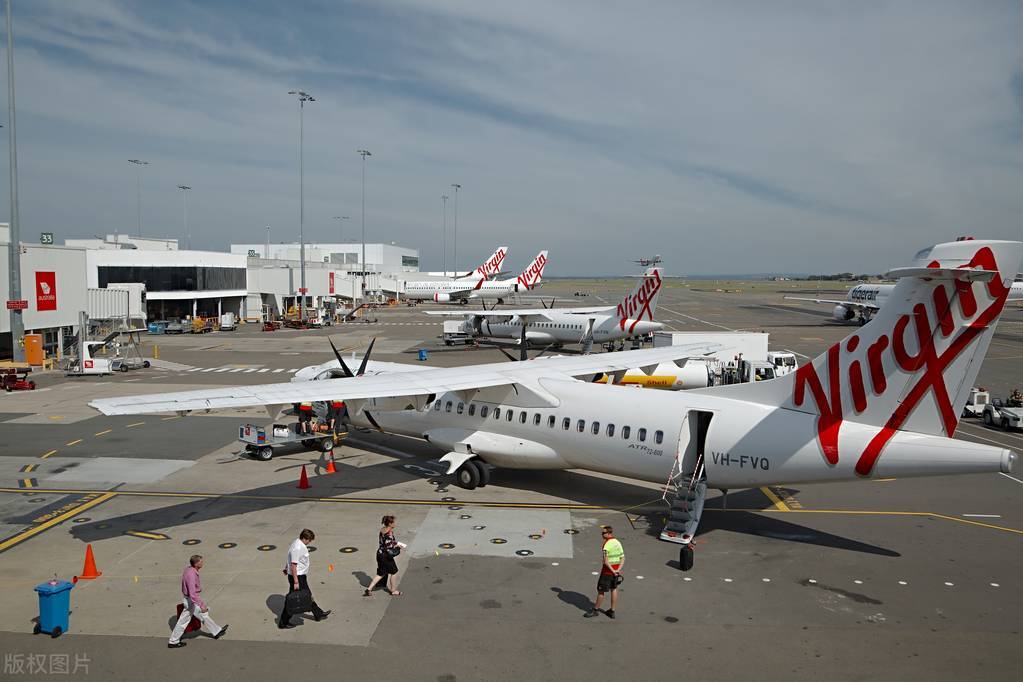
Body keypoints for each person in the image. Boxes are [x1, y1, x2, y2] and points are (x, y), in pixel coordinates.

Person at [168, 555, 228, 648]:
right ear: (196, 564)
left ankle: (217, 631)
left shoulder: (189, 569)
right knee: (183, 621)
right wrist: (202, 605)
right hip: (190, 601)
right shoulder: (191, 575)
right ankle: (173, 641)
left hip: (189, 599)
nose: (202, 563)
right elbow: (193, 594)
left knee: (203, 616)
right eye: (201, 561)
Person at [278, 529, 331, 628]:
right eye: (309, 540)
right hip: (298, 577)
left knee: (307, 595)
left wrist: (286, 568)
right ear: (305, 538)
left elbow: (290, 558)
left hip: (299, 576)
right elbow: (294, 565)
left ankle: (318, 614)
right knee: (292, 600)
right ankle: (283, 622)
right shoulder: (298, 547)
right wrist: (296, 581)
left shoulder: (297, 542)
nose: (309, 542)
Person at [585, 526, 624, 620]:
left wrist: (612, 571)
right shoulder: (618, 542)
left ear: (609, 533)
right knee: (613, 589)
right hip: (616, 572)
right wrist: (617, 570)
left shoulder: (606, 545)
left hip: (607, 572)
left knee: (601, 591)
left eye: (603, 533)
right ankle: (612, 611)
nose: (602, 535)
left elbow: (606, 561)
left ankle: (595, 610)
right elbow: (622, 558)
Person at [364, 515, 406, 596]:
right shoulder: (389, 533)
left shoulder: (383, 530)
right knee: (394, 572)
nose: (395, 524)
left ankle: (369, 589)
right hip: (386, 556)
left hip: (379, 554)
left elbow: (385, 542)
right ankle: (393, 590)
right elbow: (388, 546)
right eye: (393, 522)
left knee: (381, 573)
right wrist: (397, 546)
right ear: (390, 524)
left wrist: (395, 543)